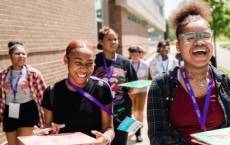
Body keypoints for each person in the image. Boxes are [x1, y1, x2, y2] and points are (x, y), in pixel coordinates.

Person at [147, 0, 230, 145]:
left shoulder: (226, 82)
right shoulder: (161, 85)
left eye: (205, 36)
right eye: (190, 38)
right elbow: (157, 135)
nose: (199, 42)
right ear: (178, 46)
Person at [41, 40, 114, 145]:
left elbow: (109, 128)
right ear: (66, 60)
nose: (84, 69)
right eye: (78, 62)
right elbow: (49, 129)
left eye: (89, 63)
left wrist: (106, 138)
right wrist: (48, 133)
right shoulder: (51, 92)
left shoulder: (101, 89)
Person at [93, 28, 138, 145]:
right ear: (101, 41)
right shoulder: (94, 61)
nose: (113, 42)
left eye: (115, 39)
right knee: (101, 142)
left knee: (121, 142)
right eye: (109, 39)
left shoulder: (125, 62)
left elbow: (133, 87)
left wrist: (128, 87)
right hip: (99, 113)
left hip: (123, 112)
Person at [0, 41, 46, 145]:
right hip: (10, 112)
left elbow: (43, 98)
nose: (21, 56)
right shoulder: (2, 75)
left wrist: (45, 120)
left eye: (23, 54)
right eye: (17, 53)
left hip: (28, 111)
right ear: (9, 56)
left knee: (22, 143)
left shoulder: (34, 74)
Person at [128, 46, 148, 142]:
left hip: (142, 91)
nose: (135, 57)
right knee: (134, 112)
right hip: (132, 91)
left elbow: (147, 77)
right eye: (133, 55)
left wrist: (137, 82)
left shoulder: (144, 64)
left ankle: (138, 132)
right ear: (130, 55)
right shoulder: (128, 64)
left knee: (140, 111)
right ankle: (138, 126)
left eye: (137, 55)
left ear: (140, 55)